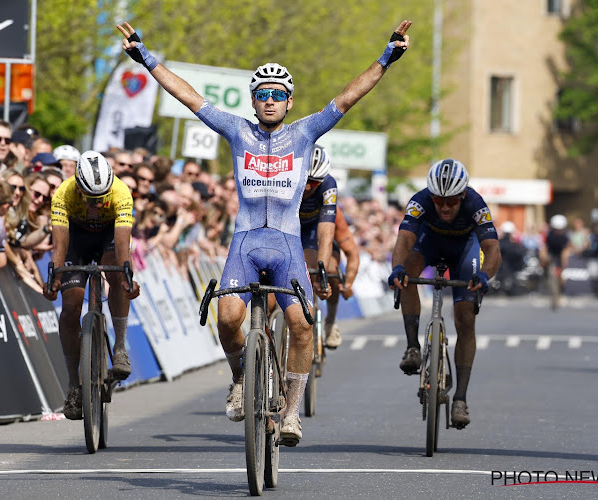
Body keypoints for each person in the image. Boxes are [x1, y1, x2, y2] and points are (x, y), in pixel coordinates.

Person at [118, 18, 412, 445]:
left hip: (288, 245)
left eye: (278, 95)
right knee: (227, 318)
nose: (270, 100)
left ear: (289, 102)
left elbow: (349, 96)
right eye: (262, 95)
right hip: (246, 242)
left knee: (301, 325)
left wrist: (387, 57)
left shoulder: (306, 131)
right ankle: (241, 379)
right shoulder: (237, 131)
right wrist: (146, 58)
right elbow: (188, 96)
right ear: (253, 101)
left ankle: (291, 414)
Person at [388, 159, 501, 429]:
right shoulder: (420, 201)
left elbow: (493, 249)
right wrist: (397, 269)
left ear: (463, 194)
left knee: (465, 319)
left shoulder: (476, 204)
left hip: (464, 250)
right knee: (408, 273)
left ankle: (460, 398)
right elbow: (404, 240)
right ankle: (413, 346)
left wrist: (484, 274)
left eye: (452, 200)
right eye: (439, 200)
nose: (445, 206)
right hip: (430, 243)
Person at [43, 150, 140, 420]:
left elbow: (122, 243)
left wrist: (127, 276)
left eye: (101, 199)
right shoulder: (64, 193)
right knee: (71, 306)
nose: (97, 205)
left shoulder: (121, 193)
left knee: (119, 276)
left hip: (109, 237)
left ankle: (119, 347)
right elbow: (60, 243)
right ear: (78, 187)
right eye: (91, 199)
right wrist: (56, 277)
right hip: (76, 239)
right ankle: (74, 386)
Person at [298, 145, 338, 344]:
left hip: (312, 231)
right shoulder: (287, 176)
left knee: (313, 266)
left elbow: (326, 234)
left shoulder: (328, 185)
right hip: (288, 226)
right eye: (305, 179)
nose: (307, 187)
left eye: (313, 183)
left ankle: (312, 320)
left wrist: (321, 272)